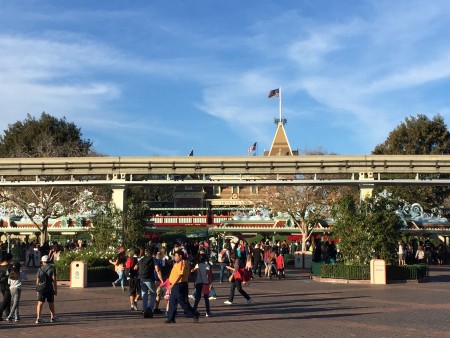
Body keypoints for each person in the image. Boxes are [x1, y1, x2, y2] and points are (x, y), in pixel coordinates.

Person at [165, 249, 200, 324]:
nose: (174, 257)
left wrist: (173, 285)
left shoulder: (182, 263)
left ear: (180, 256)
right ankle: (171, 317)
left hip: (179, 285)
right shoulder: (177, 264)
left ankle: (194, 314)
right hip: (175, 285)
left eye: (176, 256)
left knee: (183, 302)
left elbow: (180, 275)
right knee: (172, 301)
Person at [36, 255, 58, 324]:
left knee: (40, 302)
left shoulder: (40, 269)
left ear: (43, 261)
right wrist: (55, 289)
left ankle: (38, 318)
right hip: (49, 288)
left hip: (41, 288)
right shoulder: (52, 268)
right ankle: (52, 317)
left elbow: (37, 280)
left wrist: (37, 289)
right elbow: (54, 280)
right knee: (51, 302)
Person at [138, 246, 158, 318]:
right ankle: (150, 308)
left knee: (144, 294)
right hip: (149, 278)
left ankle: (144, 309)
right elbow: (157, 269)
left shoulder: (142, 259)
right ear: (153, 252)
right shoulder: (153, 259)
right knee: (153, 293)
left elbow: (136, 267)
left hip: (141, 278)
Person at [0, 253, 13, 321]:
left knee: (7, 300)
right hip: (8, 285)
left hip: (1, 285)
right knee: (5, 300)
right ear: (9, 259)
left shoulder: (0, 265)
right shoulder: (9, 266)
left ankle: (8, 314)